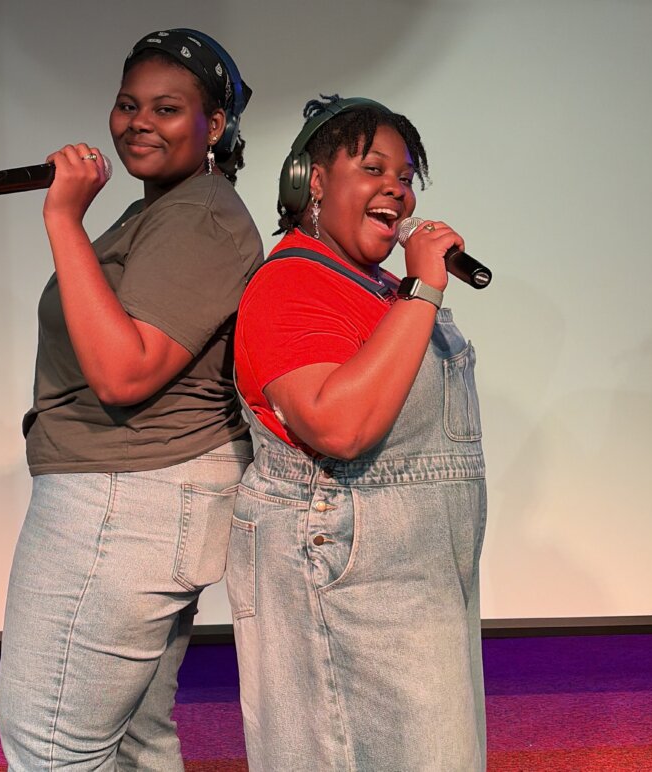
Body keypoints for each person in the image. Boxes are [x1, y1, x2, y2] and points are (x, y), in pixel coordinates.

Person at [0, 29, 262, 771]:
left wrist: (61, 218)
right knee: (134, 742)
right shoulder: (167, 210)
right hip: (138, 494)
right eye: (127, 104)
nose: (139, 122)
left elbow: (124, 374)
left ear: (215, 125)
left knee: (51, 748)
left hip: (123, 498)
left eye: (166, 109)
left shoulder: (200, 215)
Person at [227, 95, 488, 770]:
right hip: (345, 582)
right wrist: (422, 291)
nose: (396, 189)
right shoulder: (291, 283)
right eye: (373, 169)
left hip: (416, 586)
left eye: (405, 176)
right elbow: (337, 426)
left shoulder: (380, 288)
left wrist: (411, 293)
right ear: (312, 182)